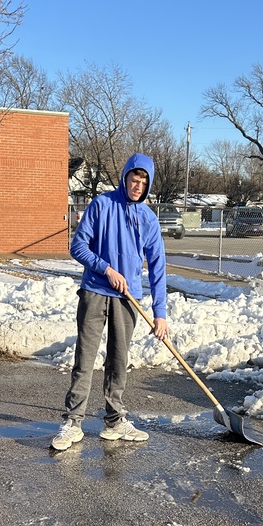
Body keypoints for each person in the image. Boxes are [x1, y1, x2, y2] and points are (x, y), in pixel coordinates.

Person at [52, 152, 169, 451]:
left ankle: (114, 420)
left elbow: (158, 268)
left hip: (128, 300)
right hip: (95, 290)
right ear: (125, 176)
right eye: (135, 178)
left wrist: (160, 314)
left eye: (144, 181)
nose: (138, 185)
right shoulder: (102, 205)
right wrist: (106, 269)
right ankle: (73, 422)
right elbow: (77, 246)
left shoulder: (148, 219)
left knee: (119, 361)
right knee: (85, 358)